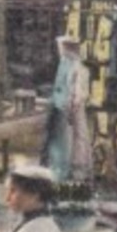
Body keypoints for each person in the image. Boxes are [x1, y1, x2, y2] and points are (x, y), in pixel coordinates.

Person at [41, 34, 92, 181]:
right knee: (62, 140)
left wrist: (72, 107)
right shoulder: (64, 64)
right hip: (61, 108)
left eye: (62, 48)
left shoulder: (79, 68)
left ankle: (77, 172)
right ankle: (59, 169)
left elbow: (80, 92)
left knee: (77, 138)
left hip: (72, 110)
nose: (60, 51)